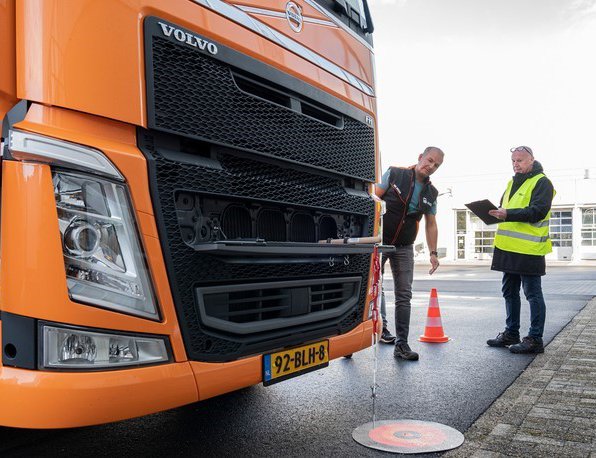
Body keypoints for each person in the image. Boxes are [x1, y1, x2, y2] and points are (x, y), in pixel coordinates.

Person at [375, 147, 444, 360]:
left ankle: (401, 345)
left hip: (404, 246)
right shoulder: (395, 173)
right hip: (379, 242)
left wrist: (433, 252)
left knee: (404, 295)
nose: (431, 166)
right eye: (429, 160)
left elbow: (431, 224)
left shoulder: (431, 193)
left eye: (436, 165)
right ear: (420, 157)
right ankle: (354, 339)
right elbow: (374, 199)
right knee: (368, 289)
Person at [487, 146, 555, 354]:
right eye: (513, 161)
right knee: (509, 292)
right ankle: (511, 333)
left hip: (530, 249)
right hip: (508, 248)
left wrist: (507, 213)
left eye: (520, 160)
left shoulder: (542, 182)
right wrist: (491, 213)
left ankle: (535, 339)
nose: (516, 164)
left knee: (532, 294)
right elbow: (504, 209)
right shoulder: (511, 182)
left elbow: (537, 211)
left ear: (532, 160)